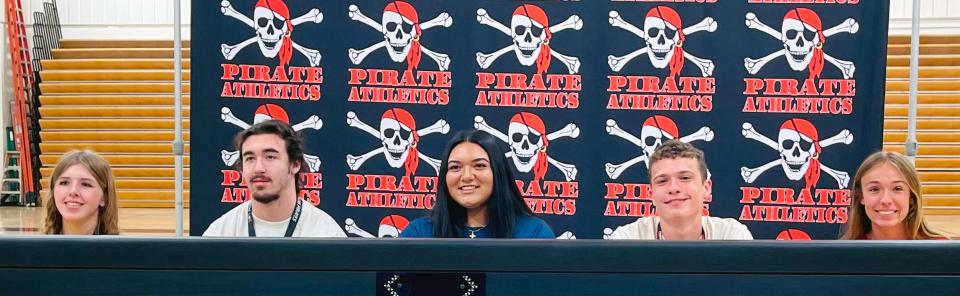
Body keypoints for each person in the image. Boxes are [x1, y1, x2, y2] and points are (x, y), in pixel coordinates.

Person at [400, 129, 554, 238]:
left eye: (479, 165)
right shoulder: (419, 233)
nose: (466, 176)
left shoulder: (534, 233)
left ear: (498, 172)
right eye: (455, 167)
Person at [203, 120, 345, 237]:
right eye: (250, 158)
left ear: (295, 164)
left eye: (270, 157)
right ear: (241, 169)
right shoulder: (220, 233)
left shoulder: (327, 234)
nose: (259, 168)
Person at [609, 140, 752, 240]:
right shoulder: (628, 238)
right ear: (651, 195)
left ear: (706, 188)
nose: (673, 188)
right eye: (662, 181)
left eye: (684, 178)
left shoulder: (731, 235)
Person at [840, 151, 948, 240]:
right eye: (874, 189)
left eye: (897, 189)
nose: (885, 200)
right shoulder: (842, 253)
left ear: (911, 196)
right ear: (861, 196)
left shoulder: (941, 250)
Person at [44, 150, 119, 235]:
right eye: (64, 183)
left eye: (86, 184)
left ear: (105, 197)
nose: (73, 191)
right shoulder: (36, 247)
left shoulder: (121, 248)